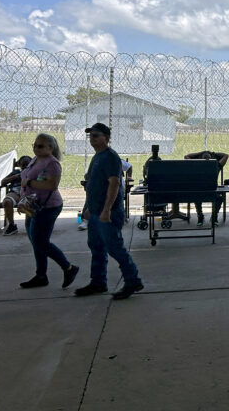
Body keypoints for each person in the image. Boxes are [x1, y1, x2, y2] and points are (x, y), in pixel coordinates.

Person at [76, 123, 143, 300]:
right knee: (96, 246)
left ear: (106, 137)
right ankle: (98, 281)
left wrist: (106, 210)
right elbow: (95, 185)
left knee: (114, 247)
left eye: (96, 136)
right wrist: (90, 209)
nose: (92, 139)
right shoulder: (97, 157)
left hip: (109, 213)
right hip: (96, 211)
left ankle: (132, 280)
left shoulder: (110, 157)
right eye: (90, 136)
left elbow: (114, 184)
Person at [17, 134, 79, 289]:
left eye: (40, 146)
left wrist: (29, 182)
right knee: (35, 241)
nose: (36, 148)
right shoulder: (35, 159)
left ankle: (68, 268)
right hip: (32, 206)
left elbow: (51, 185)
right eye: (35, 145)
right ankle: (41, 275)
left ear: (50, 148)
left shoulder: (52, 164)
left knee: (41, 242)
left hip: (47, 207)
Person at [78, 158, 131, 231]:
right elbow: (88, 175)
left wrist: (129, 177)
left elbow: (129, 167)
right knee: (92, 195)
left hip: (116, 188)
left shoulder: (117, 161)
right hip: (102, 187)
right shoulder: (98, 162)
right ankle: (86, 219)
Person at [184, 150, 229, 226]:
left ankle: (202, 216)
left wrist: (200, 153)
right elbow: (225, 155)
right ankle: (211, 216)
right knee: (219, 198)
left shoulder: (197, 165)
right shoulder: (216, 165)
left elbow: (186, 156)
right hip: (210, 192)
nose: (207, 158)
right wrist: (212, 153)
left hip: (204, 192)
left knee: (197, 196)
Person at [0, 155, 32, 236]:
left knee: (34, 202)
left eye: (27, 165)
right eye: (23, 165)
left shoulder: (33, 172)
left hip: (29, 193)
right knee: (7, 201)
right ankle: (12, 225)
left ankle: (32, 226)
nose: (25, 167)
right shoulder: (16, 172)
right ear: (19, 165)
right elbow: (3, 182)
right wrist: (15, 177)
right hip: (16, 192)